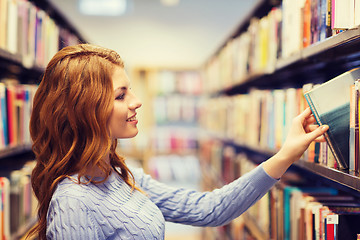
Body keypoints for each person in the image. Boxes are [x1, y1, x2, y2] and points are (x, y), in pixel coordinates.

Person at [27, 43, 328, 240]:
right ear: (85, 110)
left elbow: (210, 208)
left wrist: (286, 154)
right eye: (121, 95)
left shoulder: (121, 176)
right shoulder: (73, 202)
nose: (137, 102)